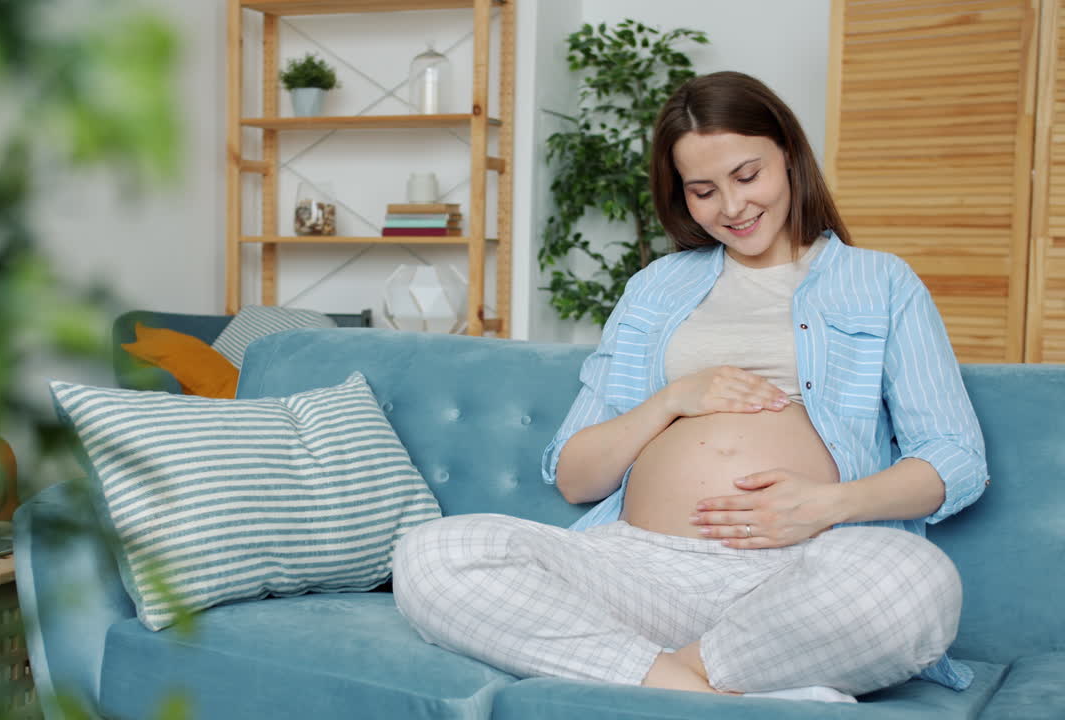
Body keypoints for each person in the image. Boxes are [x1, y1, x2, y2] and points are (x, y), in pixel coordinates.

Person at [391, 71, 988, 701]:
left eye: (747, 176)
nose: (731, 208)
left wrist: (825, 506)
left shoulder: (881, 283)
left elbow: (955, 460)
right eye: (703, 191)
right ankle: (709, 693)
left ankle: (656, 675)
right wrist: (674, 399)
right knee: (434, 554)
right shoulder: (655, 288)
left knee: (914, 583)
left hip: (796, 573)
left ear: (788, 153)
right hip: (638, 571)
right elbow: (575, 476)